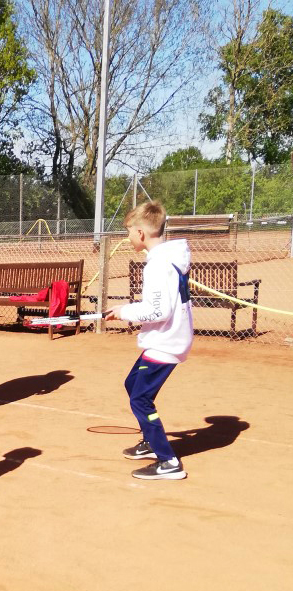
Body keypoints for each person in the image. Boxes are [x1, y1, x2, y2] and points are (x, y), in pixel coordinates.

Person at [105, 201, 193, 480]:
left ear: (141, 233)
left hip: (166, 340)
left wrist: (124, 312)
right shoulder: (168, 258)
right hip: (166, 337)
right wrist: (126, 310)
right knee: (133, 384)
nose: (128, 237)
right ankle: (150, 441)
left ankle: (168, 461)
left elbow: (157, 311)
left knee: (140, 399)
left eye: (129, 232)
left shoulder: (158, 265)